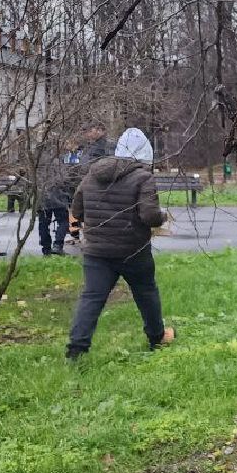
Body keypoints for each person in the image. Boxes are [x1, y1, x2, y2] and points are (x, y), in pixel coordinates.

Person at [65, 127, 172, 360]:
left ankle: (76, 348)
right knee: (145, 292)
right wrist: (163, 216)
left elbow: (77, 210)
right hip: (133, 249)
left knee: (92, 297)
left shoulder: (92, 174)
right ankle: (157, 337)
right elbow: (149, 216)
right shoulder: (143, 178)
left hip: (96, 251)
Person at [35, 148, 75, 255]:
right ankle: (57, 245)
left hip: (42, 197)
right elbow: (65, 179)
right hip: (59, 196)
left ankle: (46, 249)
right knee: (63, 221)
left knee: (43, 223)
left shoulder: (36, 162)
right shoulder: (58, 162)